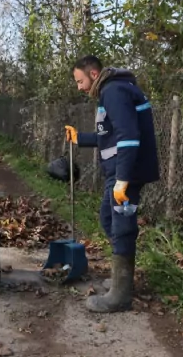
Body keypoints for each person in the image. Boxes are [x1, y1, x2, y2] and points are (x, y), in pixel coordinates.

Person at [64, 55, 160, 313]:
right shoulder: (113, 90)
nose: (80, 87)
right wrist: (80, 138)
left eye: (80, 80)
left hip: (125, 172)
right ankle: (122, 280)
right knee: (109, 220)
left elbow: (128, 138)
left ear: (94, 74)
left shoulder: (114, 91)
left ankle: (120, 295)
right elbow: (110, 134)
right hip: (119, 171)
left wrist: (122, 180)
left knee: (121, 225)